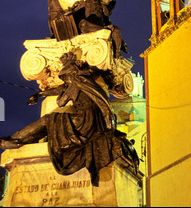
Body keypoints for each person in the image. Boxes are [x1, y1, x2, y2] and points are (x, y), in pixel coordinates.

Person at [0, 52, 138, 186]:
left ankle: (15, 140)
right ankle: (15, 140)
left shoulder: (75, 83)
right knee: (53, 119)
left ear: (71, 75)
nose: (64, 80)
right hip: (92, 119)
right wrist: (39, 94)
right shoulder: (84, 81)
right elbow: (60, 89)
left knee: (50, 119)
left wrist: (53, 94)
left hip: (84, 121)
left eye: (64, 77)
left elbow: (61, 101)